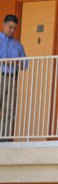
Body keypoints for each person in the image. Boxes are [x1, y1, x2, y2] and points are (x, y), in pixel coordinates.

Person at [0, 14, 27, 142]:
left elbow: (25, 64)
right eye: (10, 27)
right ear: (4, 25)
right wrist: (6, 61)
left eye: (14, 28)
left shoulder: (18, 45)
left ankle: (3, 138)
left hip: (12, 78)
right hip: (0, 76)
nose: (12, 30)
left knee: (9, 109)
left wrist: (18, 63)